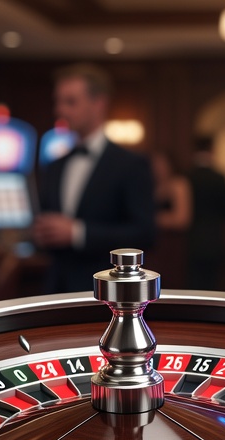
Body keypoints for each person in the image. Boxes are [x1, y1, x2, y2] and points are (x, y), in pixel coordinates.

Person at [35, 63, 156, 292]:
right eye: (57, 101)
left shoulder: (130, 164)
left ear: (99, 103)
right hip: (55, 289)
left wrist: (78, 233)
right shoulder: (55, 165)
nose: (60, 110)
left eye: (70, 102)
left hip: (107, 293)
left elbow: (144, 233)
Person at [184, 136, 225, 290]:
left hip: (191, 239)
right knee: (212, 285)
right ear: (212, 150)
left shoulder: (187, 176)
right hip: (215, 238)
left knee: (192, 284)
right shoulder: (219, 178)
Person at [150, 152, 191, 283]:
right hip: (154, 243)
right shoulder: (151, 185)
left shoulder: (178, 184)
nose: (158, 169)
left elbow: (182, 219)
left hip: (172, 242)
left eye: (161, 165)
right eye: (155, 165)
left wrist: (152, 220)